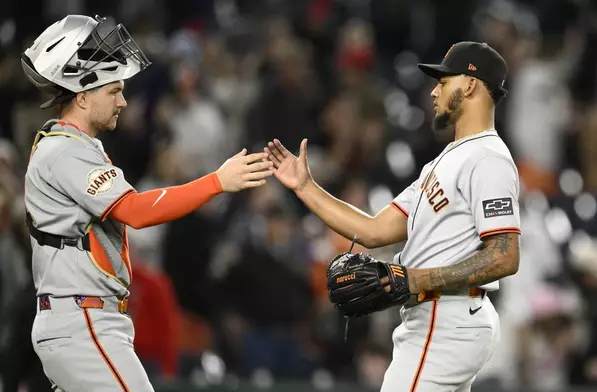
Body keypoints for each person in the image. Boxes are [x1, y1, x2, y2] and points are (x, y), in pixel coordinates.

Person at [20, 14, 273, 392]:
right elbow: (135, 211)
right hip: (82, 321)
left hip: (82, 318)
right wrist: (217, 181)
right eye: (113, 90)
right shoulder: (65, 151)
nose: (123, 100)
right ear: (83, 94)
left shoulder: (73, 148)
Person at [265, 41, 521, 391]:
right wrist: (306, 188)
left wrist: (414, 279)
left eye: (444, 82)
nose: (434, 91)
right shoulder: (446, 160)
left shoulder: (488, 157)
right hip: (442, 317)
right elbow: (373, 230)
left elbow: (504, 255)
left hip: (446, 318)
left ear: (471, 84)